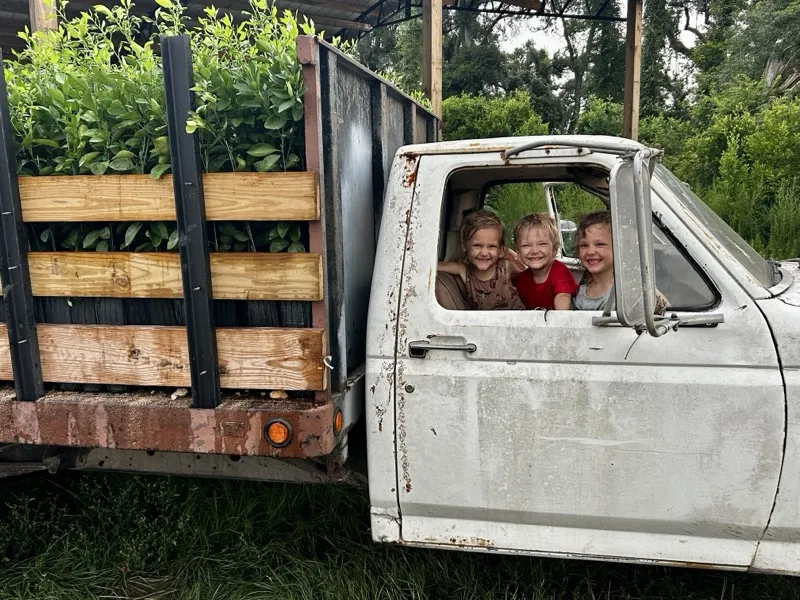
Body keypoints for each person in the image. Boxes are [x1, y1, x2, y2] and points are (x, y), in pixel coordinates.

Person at [573, 211, 668, 313]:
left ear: (620, 248)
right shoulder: (579, 292)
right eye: (584, 245)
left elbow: (665, 310)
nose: (590, 251)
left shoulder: (632, 289)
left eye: (600, 244)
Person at [437, 209, 525, 310]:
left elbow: (528, 276)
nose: (484, 253)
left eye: (492, 246)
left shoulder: (506, 266)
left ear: (500, 250)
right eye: (477, 246)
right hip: (485, 324)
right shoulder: (464, 270)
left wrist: (514, 256)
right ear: (465, 247)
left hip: (518, 321)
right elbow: (437, 265)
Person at [513, 213, 578, 310]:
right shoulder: (522, 279)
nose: (534, 251)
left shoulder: (559, 271)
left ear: (554, 249)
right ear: (518, 251)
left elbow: (563, 297)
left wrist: (560, 318)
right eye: (526, 245)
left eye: (542, 244)